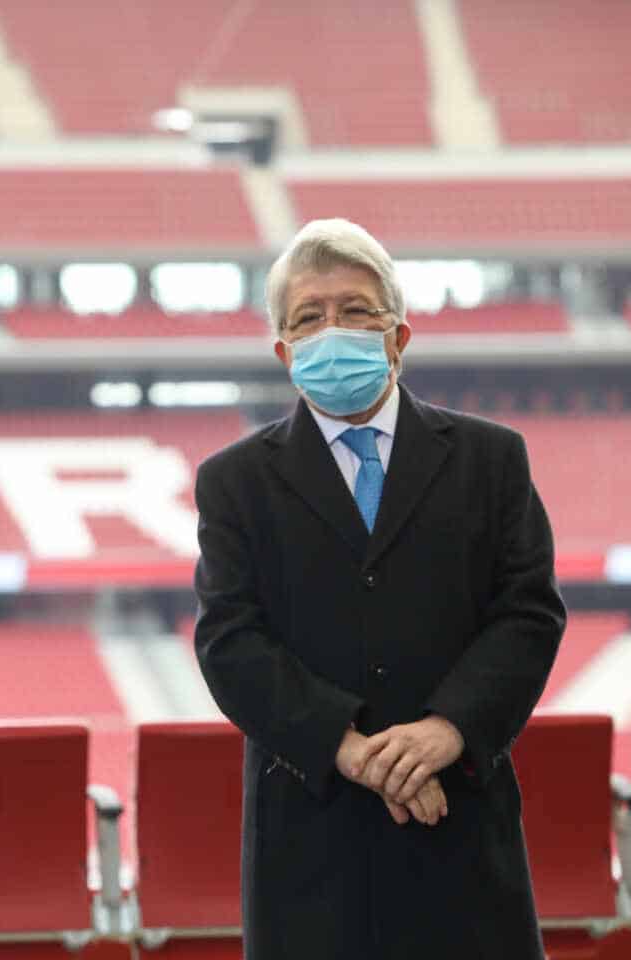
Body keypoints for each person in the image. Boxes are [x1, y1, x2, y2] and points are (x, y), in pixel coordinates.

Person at [193, 219, 564, 959]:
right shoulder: (234, 482)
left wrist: (447, 730)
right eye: (309, 317)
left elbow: (528, 613)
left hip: (456, 825)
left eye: (356, 310)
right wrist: (351, 749)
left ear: (398, 337)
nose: (333, 329)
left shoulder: (492, 461)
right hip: (311, 844)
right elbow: (229, 640)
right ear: (284, 352)